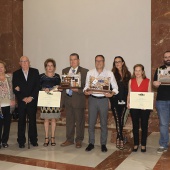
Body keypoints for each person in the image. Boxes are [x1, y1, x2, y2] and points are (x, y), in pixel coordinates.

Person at [84, 55, 118, 152]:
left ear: (104, 62)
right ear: (95, 62)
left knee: (104, 123)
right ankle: (91, 143)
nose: (98, 62)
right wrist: (86, 91)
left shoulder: (109, 73)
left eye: (100, 61)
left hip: (103, 100)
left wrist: (111, 93)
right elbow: (86, 86)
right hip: (92, 100)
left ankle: (103, 144)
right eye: (97, 61)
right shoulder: (90, 73)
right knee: (91, 123)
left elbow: (115, 88)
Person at [60, 53, 88, 148]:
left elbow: (86, 87)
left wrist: (78, 90)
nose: (72, 61)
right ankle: (69, 139)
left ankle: (79, 140)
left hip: (78, 99)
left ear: (78, 61)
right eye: (71, 60)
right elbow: (63, 84)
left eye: (74, 59)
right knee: (69, 121)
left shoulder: (84, 72)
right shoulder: (65, 70)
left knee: (79, 121)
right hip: (67, 98)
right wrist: (61, 87)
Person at [12, 56, 40, 148]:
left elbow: (37, 86)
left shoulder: (35, 72)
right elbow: (15, 88)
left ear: (29, 62)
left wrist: (31, 97)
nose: (24, 63)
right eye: (22, 61)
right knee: (21, 122)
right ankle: (21, 141)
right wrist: (23, 98)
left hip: (32, 101)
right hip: (22, 101)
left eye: (26, 61)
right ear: (19, 63)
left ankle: (33, 140)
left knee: (32, 121)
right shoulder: (16, 74)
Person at [127, 64, 151, 152]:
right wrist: (128, 103)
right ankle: (136, 144)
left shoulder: (147, 81)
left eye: (139, 70)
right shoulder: (131, 81)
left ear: (143, 71)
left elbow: (149, 94)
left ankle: (143, 144)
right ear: (134, 72)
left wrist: (146, 105)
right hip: (134, 106)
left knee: (144, 126)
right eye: (136, 70)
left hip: (145, 107)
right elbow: (129, 94)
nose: (137, 72)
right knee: (135, 126)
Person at [110, 56, 131, 150]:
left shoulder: (128, 74)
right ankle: (121, 138)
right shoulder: (111, 74)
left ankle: (119, 137)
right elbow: (109, 88)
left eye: (119, 61)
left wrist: (129, 99)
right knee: (117, 119)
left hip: (124, 100)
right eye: (116, 62)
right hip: (115, 99)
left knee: (122, 119)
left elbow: (130, 88)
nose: (117, 63)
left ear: (123, 62)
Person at [40, 58, 61, 147]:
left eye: (51, 65)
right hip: (45, 100)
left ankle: (52, 137)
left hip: (54, 100)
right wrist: (44, 89)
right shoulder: (41, 76)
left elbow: (60, 87)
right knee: (46, 119)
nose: (50, 67)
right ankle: (46, 137)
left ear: (54, 67)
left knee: (53, 119)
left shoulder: (57, 76)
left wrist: (57, 88)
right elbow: (38, 87)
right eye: (48, 66)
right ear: (45, 67)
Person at [153, 51, 170, 153]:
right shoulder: (159, 70)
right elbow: (155, 83)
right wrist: (155, 83)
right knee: (163, 124)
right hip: (162, 101)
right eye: (166, 57)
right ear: (163, 59)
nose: (168, 58)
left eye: (169, 57)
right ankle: (163, 144)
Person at [0, 61, 15, 148]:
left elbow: (14, 89)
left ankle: (4, 141)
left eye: (2, 67)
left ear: (5, 69)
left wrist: (13, 99)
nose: (0, 69)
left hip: (8, 105)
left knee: (7, 124)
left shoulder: (10, 77)